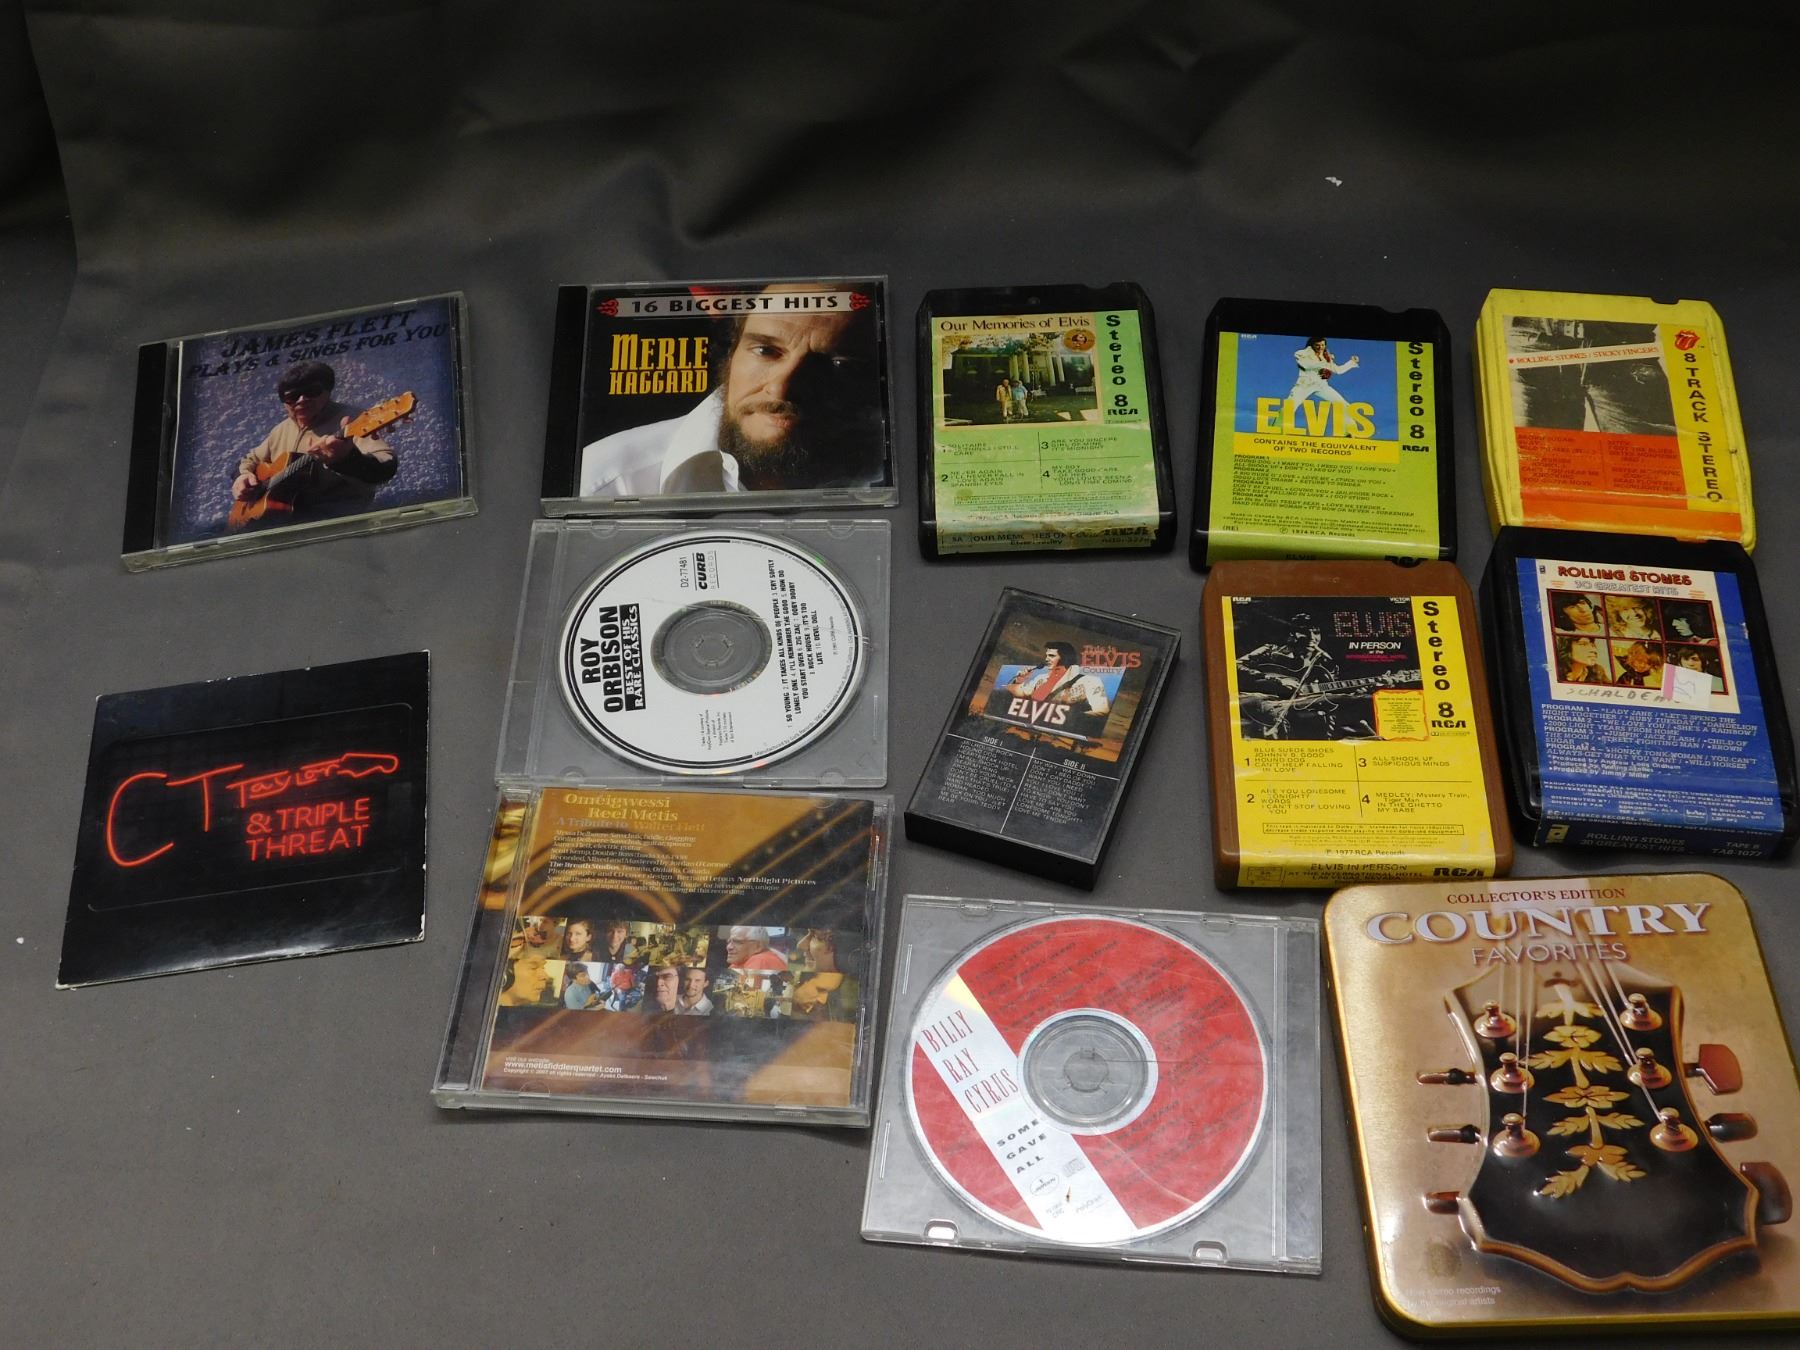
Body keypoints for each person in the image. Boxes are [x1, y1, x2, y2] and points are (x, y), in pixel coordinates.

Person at [577, 282, 883, 496]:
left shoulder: (895, 473)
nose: (780, 389)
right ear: (731, 354)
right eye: (765, 351)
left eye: (838, 364)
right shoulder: (602, 485)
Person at [230, 361, 397, 522]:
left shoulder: (353, 421)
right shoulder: (281, 430)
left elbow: (385, 467)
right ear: (284, 403)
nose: (302, 399)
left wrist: (346, 459)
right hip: (286, 526)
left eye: (311, 391)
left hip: (340, 525)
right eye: (292, 396)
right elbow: (249, 460)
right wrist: (242, 476)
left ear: (328, 391)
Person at [1003, 641, 1112, 716]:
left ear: (1064, 658)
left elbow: (1101, 711)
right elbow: (1021, 694)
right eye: (1046, 655)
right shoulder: (1041, 678)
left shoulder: (1089, 681)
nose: (1046, 659)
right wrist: (1020, 680)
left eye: (1051, 656)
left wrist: (1068, 719)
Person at [1288, 337, 1358, 406]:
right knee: (1289, 407)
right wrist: (1324, 363)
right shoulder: (1302, 353)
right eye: (1317, 345)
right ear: (1312, 345)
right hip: (1304, 385)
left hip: (1321, 385)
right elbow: (1306, 365)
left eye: (1322, 345)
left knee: (1343, 405)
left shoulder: (1326, 357)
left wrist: (1351, 362)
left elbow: (1338, 370)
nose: (1320, 347)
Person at [723, 926, 787, 972]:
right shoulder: (740, 961)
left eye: (738, 942)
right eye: (729, 941)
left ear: (758, 946)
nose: (729, 947)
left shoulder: (760, 960)